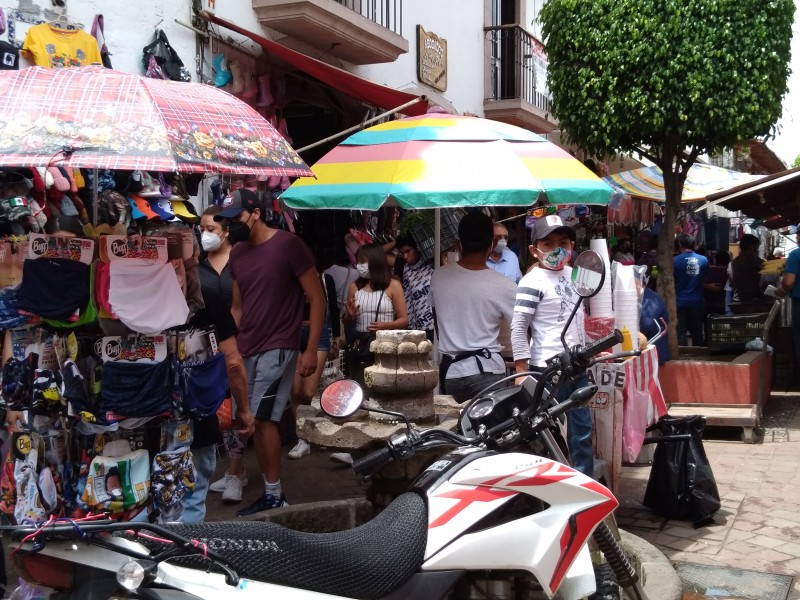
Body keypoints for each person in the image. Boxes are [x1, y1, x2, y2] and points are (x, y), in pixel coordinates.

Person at [216, 188, 325, 516]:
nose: (231, 226)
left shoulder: (288, 245)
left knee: (263, 420)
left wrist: (309, 349)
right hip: (246, 346)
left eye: (236, 219)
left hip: (278, 346)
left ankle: (275, 495)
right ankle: (268, 489)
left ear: (255, 212)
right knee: (246, 420)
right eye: (227, 221)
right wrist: (226, 348)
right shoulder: (237, 254)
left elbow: (316, 298)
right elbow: (238, 306)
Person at [511, 214, 592, 478]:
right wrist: (522, 371)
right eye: (548, 243)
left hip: (578, 366)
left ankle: (584, 493)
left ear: (571, 246)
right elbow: (519, 326)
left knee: (582, 433)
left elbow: (579, 315)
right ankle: (553, 490)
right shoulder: (531, 282)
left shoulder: (578, 275)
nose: (557, 248)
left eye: (563, 242)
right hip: (547, 370)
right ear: (535, 250)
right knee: (550, 436)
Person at [193, 206, 252, 504]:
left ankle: (235, 472)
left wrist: (234, 336)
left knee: (240, 406)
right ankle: (234, 470)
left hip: (241, 344)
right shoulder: (197, 267)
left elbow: (245, 305)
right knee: (224, 411)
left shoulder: (241, 262)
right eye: (201, 229)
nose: (205, 235)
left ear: (226, 231)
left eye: (211, 230)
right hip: (209, 352)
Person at [430, 212, 516, 403]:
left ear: (458, 244)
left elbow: (437, 321)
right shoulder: (505, 285)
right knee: (492, 431)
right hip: (488, 372)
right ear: (492, 244)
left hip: (451, 372)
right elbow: (520, 328)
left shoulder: (438, 276)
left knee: (455, 430)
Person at [288, 256, 340, 459]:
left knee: (309, 392)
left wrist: (337, 337)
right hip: (293, 333)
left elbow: (333, 308)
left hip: (318, 335)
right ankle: (302, 438)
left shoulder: (325, 279)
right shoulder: (288, 280)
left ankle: (311, 431)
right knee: (295, 391)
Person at [344, 243, 408, 384]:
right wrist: (350, 314)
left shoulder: (393, 285)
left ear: (375, 261)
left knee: (384, 383)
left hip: (385, 344)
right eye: (358, 262)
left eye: (363, 261)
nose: (359, 265)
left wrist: (385, 325)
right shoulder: (354, 286)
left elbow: (404, 319)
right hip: (361, 344)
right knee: (360, 383)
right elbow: (348, 321)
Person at [396, 235, 434, 341]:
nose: (405, 256)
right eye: (402, 253)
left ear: (417, 247)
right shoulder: (406, 269)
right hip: (419, 327)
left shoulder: (433, 262)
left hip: (437, 325)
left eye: (408, 251)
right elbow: (408, 297)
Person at [673, 233, 709, 346]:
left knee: (680, 333)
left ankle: (681, 358)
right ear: (693, 244)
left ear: (679, 244)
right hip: (696, 302)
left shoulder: (674, 261)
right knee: (697, 332)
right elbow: (705, 276)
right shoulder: (703, 260)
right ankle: (698, 358)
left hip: (679, 302)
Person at [779, 227, 800, 368]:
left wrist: (782, 289)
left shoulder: (796, 255)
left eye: (798, 234)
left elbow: (788, 282)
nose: (797, 237)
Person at [730, 234, 764, 304]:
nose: (757, 248)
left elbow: (731, 283)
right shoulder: (755, 261)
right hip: (751, 301)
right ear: (752, 246)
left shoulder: (732, 263)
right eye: (756, 246)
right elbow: (768, 271)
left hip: (736, 301)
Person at [704, 251, 730, 316]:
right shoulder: (729, 273)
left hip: (708, 305)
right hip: (724, 306)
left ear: (715, 259)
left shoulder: (708, 271)